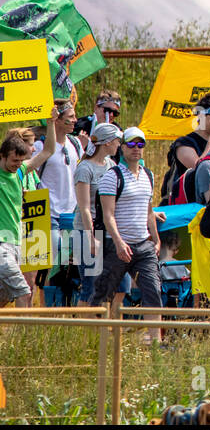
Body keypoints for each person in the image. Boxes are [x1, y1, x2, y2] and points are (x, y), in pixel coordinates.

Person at [90, 128, 162, 340]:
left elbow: (149, 211)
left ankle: (155, 344)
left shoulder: (148, 174)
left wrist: (155, 239)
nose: (136, 149)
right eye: (131, 144)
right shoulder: (111, 177)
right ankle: (95, 342)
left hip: (143, 245)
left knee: (153, 292)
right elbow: (108, 216)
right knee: (103, 293)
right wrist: (120, 243)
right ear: (121, 147)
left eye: (141, 145)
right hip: (116, 245)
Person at [74, 122, 125, 307]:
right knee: (90, 285)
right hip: (85, 231)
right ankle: (83, 333)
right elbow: (84, 207)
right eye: (117, 140)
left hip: (106, 230)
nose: (119, 144)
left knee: (117, 284)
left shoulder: (111, 165)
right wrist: (91, 237)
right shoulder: (84, 168)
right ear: (107, 143)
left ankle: (107, 330)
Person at [32, 99, 81, 292]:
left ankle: (59, 311)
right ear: (57, 120)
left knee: (66, 265)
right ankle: (42, 311)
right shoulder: (39, 146)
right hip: (47, 214)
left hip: (70, 214)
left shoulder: (76, 144)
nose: (76, 120)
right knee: (45, 264)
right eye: (71, 117)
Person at [0, 132, 43, 308]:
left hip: (16, 242)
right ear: (2, 156)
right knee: (24, 292)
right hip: (1, 244)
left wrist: (50, 124)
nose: (18, 165)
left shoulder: (20, 173)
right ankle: (23, 335)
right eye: (14, 161)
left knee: (5, 297)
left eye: (20, 161)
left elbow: (48, 151)